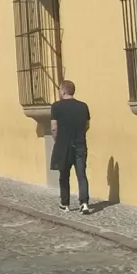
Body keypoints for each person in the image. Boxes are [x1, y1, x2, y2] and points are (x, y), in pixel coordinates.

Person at [50, 80, 91, 214]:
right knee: (81, 174)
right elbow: (87, 125)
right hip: (80, 144)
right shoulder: (83, 106)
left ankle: (65, 203)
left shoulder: (56, 106)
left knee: (64, 175)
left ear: (63, 91)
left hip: (64, 145)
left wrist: (58, 140)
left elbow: (54, 128)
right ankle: (84, 203)